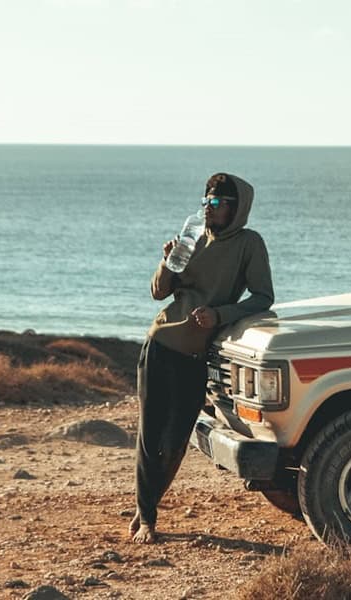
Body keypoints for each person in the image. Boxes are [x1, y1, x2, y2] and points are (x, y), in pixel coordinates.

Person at [130, 172, 274, 544]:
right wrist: (167, 262)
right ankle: (147, 515)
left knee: (176, 438)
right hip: (160, 346)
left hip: (196, 355)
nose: (208, 209)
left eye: (216, 203)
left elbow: (262, 297)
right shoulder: (192, 239)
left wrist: (220, 316)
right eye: (206, 201)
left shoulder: (249, 244)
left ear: (236, 207)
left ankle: (148, 503)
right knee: (150, 435)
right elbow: (158, 292)